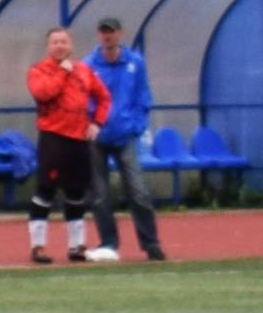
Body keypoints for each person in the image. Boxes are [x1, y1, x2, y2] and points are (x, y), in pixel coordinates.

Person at [23, 23, 107, 263]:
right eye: (55, 42)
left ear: (71, 45)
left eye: (64, 42)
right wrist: (62, 72)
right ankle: (38, 246)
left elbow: (104, 97)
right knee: (45, 191)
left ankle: (76, 246)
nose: (59, 46)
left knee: (76, 193)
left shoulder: (84, 70)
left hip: (79, 140)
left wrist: (97, 123)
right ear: (48, 46)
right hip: (53, 138)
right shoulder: (38, 71)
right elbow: (44, 93)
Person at [89, 14, 168, 261]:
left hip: (125, 136)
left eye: (111, 31)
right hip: (97, 136)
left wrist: (135, 126)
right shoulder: (89, 65)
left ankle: (150, 243)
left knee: (137, 190)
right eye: (103, 31)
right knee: (100, 193)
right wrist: (91, 123)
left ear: (120, 34)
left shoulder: (135, 63)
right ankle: (109, 243)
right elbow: (84, 98)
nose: (107, 36)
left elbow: (143, 98)